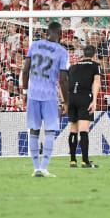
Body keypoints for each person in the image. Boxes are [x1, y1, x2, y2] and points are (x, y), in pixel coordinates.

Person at [22, 22, 70, 177]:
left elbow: (25, 69)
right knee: (50, 131)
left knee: (34, 130)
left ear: (47, 33)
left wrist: (24, 91)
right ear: (60, 34)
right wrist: (65, 101)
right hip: (49, 95)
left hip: (33, 94)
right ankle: (43, 167)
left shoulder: (35, 45)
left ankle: (36, 168)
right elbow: (63, 79)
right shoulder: (62, 51)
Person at [67, 45, 101, 168]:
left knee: (73, 130)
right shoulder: (95, 66)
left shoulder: (73, 66)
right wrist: (94, 100)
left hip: (71, 97)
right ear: (94, 55)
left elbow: (65, 82)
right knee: (84, 130)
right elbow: (96, 82)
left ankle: (72, 161)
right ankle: (85, 161)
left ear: (83, 54)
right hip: (84, 97)